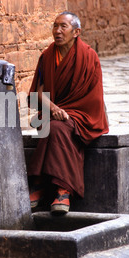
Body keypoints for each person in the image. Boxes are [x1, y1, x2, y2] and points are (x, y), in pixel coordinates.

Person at [28, 11, 109, 215]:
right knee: (51, 125)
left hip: (82, 112)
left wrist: (67, 112)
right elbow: (39, 90)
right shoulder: (47, 56)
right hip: (54, 110)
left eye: (63, 26)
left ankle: (52, 187)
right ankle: (59, 191)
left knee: (56, 128)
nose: (57, 31)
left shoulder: (89, 56)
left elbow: (94, 96)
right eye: (55, 26)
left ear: (76, 32)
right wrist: (53, 108)